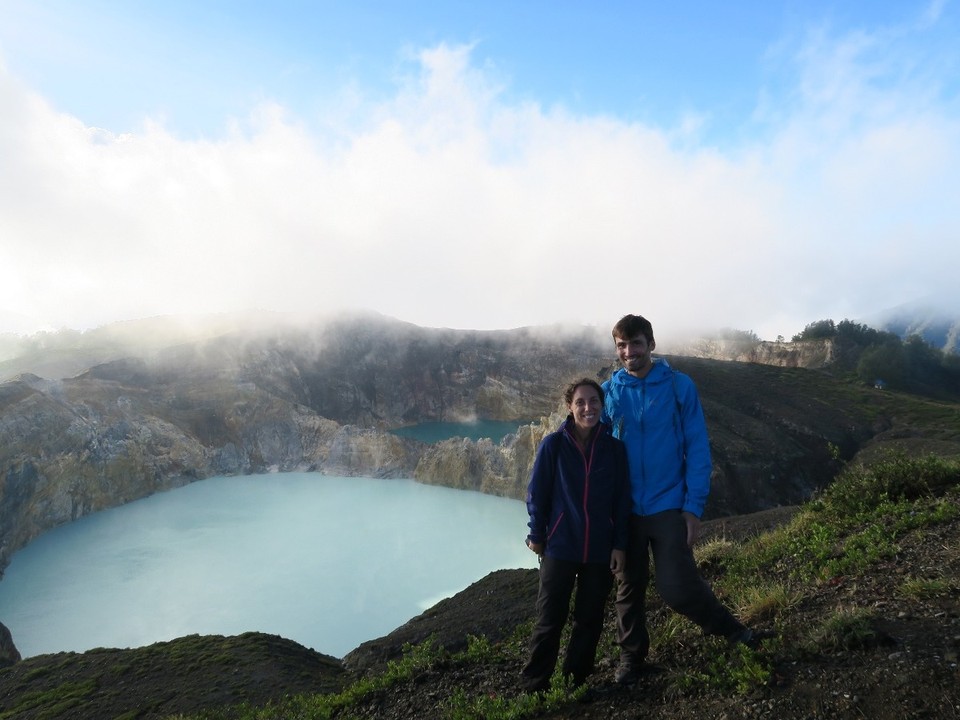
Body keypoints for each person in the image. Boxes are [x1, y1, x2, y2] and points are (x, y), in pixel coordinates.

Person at [601, 314, 760, 686]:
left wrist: (693, 507)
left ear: (651, 345)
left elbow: (698, 448)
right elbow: (595, 446)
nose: (629, 352)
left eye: (636, 343)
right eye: (622, 346)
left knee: (677, 586)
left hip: (669, 504)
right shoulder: (611, 392)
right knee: (629, 587)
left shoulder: (678, 386)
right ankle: (631, 656)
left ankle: (733, 631)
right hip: (627, 511)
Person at [520, 378, 631, 693]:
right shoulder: (553, 445)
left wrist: (619, 545)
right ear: (570, 407)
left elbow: (622, 501)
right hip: (560, 547)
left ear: (602, 404)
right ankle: (534, 689)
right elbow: (537, 494)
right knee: (548, 620)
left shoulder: (615, 450)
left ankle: (574, 684)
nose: (588, 408)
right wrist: (537, 534)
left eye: (594, 401)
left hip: (599, 550)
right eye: (581, 402)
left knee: (589, 620)